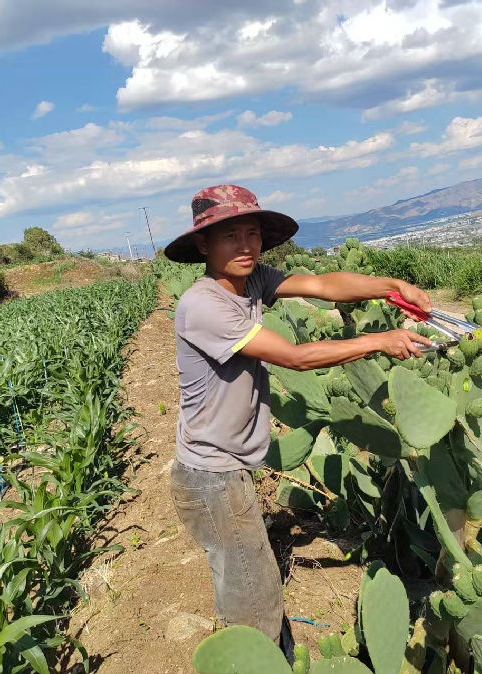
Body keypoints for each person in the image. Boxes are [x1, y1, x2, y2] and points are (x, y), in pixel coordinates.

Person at [163, 184, 432, 648]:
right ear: (204, 245)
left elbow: (324, 285)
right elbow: (295, 357)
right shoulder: (203, 305)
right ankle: (259, 657)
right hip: (211, 476)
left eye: (253, 233)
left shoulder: (252, 281)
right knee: (255, 596)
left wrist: (393, 287)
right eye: (231, 236)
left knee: (248, 585)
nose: (246, 245)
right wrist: (378, 340)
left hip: (226, 470)